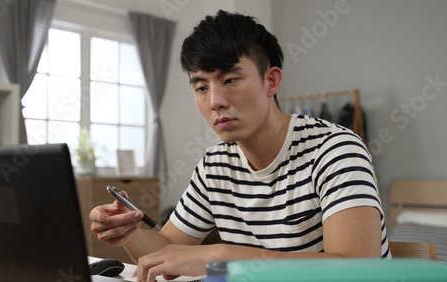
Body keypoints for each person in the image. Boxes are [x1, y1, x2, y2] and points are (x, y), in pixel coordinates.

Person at [90, 10, 390, 282]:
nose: (215, 101)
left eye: (230, 80)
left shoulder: (336, 150)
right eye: (202, 87)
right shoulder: (215, 165)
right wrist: (127, 231)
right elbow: (167, 249)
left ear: (270, 82)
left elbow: (357, 270)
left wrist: (222, 257)